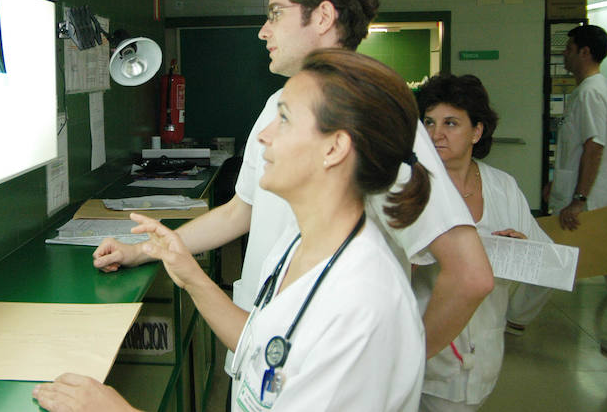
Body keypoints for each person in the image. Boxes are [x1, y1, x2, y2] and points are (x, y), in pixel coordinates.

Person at [93, 0, 493, 368]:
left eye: (276, 14)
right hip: (257, 350)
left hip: (324, 374)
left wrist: (397, 368)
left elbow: (470, 275)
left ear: (322, 17)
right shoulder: (276, 104)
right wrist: (143, 250)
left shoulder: (373, 117)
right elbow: (240, 212)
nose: (263, 32)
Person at [34, 49, 429, 411]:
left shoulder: (363, 305)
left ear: (334, 148)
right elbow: (261, 344)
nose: (263, 135)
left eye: (285, 118)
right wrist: (189, 273)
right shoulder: (299, 245)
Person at [415, 73, 555, 411]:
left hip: (485, 351)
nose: (436, 134)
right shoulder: (412, 189)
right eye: (429, 122)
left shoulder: (502, 187)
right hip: (427, 351)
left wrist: (519, 250)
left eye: (451, 123)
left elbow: (546, 263)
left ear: (477, 131)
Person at [547, 24, 607, 362]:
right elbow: (579, 149)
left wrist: (578, 198)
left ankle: (515, 317)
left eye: (570, 48)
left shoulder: (592, 91)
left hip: (594, 198)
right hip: (600, 194)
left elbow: (594, 147)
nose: (565, 54)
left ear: (585, 52)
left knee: (556, 256)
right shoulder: (596, 89)